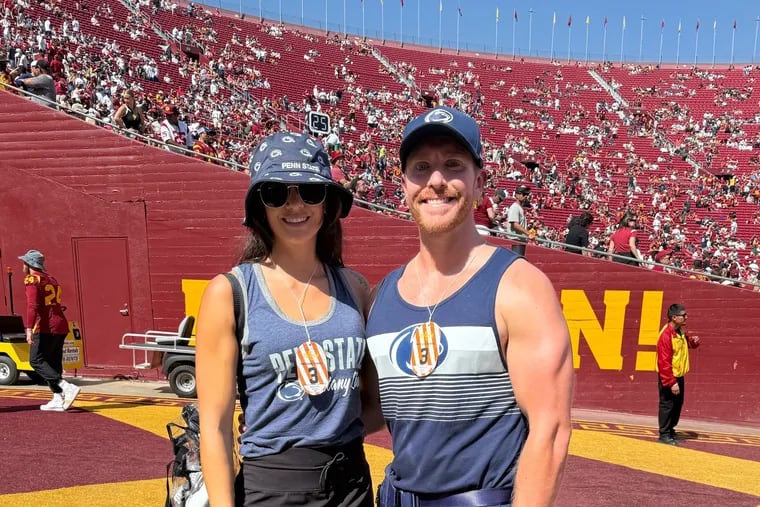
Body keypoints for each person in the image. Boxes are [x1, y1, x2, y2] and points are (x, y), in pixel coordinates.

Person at [364, 106, 574, 506]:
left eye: (453, 164)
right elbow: (374, 408)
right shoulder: (381, 298)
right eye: (421, 167)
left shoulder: (519, 287)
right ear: (404, 184)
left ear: (479, 182)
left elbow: (550, 430)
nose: (437, 180)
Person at [196, 132, 374, 507]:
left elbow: (375, 401)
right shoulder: (230, 293)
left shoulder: (355, 288)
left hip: (352, 482)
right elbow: (213, 427)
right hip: (274, 486)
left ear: (327, 203)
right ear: (260, 205)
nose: (295, 205)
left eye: (310, 191)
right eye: (277, 192)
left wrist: (315, 424)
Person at [18, 249, 81, 411]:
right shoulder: (51, 279)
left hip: (44, 326)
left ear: (29, 264)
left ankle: (65, 387)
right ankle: (57, 397)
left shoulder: (33, 280)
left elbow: (32, 306)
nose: (22, 266)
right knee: (53, 362)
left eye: (24, 263)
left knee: (35, 360)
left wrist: (28, 329)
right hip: (60, 325)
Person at [656, 304, 700, 445]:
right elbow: (664, 362)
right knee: (667, 405)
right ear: (674, 318)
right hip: (670, 376)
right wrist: (671, 382)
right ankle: (664, 434)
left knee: (677, 404)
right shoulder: (666, 335)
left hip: (678, 375)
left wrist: (693, 342)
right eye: (683, 315)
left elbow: (686, 343)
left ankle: (670, 429)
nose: (686, 317)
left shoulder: (680, 330)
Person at [506, 185, 531, 256]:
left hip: (520, 240)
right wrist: (528, 234)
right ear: (517, 195)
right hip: (516, 240)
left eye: (527, 194)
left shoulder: (519, 207)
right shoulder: (515, 207)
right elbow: (515, 224)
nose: (525, 196)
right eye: (523, 194)